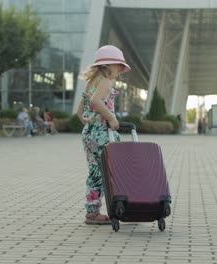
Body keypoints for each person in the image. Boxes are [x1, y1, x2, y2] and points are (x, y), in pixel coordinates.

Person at [76, 45, 131, 224]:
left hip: (89, 134)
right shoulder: (105, 81)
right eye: (119, 66)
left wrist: (91, 125)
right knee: (108, 171)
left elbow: (80, 112)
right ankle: (119, 207)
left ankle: (92, 211)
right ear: (108, 65)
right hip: (101, 134)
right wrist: (111, 118)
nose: (121, 70)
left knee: (95, 172)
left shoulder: (91, 82)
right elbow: (95, 101)